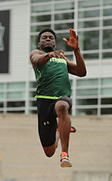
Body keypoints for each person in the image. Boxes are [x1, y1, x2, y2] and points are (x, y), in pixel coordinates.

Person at [29, 28, 86, 167]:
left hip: (62, 97)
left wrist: (76, 50)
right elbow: (38, 59)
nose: (48, 39)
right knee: (49, 152)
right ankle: (60, 130)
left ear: (55, 43)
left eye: (51, 38)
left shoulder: (62, 59)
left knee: (62, 107)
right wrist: (49, 56)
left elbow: (81, 72)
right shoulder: (37, 54)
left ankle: (65, 154)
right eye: (44, 38)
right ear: (39, 44)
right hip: (44, 101)